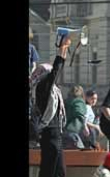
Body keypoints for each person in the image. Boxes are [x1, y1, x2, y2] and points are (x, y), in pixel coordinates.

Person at [32, 36, 70, 177]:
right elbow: (56, 70)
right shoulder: (43, 87)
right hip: (50, 133)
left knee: (56, 171)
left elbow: (56, 71)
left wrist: (65, 49)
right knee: (51, 170)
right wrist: (61, 49)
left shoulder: (47, 89)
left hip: (53, 133)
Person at [64, 85, 87, 149]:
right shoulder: (79, 101)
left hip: (65, 130)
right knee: (81, 153)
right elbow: (80, 114)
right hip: (74, 131)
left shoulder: (66, 101)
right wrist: (85, 127)